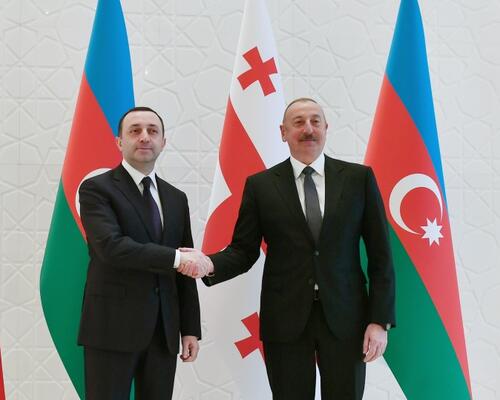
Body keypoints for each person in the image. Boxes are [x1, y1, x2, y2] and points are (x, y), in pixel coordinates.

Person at [179, 98, 396, 399]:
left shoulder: (359, 179)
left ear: (326, 128)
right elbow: (243, 250)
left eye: (315, 121)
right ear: (283, 132)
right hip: (285, 320)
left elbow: (381, 256)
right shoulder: (261, 186)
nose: (308, 129)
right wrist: (209, 264)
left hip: (347, 319)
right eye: (298, 122)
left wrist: (379, 320)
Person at [78, 106, 205, 399]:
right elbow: (111, 247)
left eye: (153, 131)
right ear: (119, 142)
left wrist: (189, 328)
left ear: (163, 142)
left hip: (163, 331)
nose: (145, 137)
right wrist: (176, 259)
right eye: (135, 131)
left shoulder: (176, 198)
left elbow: (185, 267)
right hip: (111, 328)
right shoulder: (96, 189)